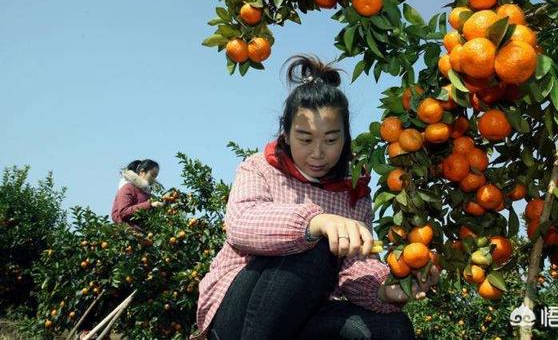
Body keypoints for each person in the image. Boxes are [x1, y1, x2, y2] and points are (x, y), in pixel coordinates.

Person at [194, 55, 439, 340]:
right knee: (315, 246)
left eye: (331, 140)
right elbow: (241, 225)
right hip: (237, 311)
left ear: (346, 139)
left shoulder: (353, 194)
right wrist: (316, 222)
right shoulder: (258, 167)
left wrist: (384, 289)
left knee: (392, 329)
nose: (318, 153)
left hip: (306, 313)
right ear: (285, 135)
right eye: (306, 139)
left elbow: (356, 266)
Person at [111, 159, 163, 226]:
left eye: (155, 176)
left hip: (143, 233)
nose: (154, 179)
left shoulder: (146, 192)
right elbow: (123, 212)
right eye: (152, 175)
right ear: (142, 172)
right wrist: (150, 205)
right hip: (128, 232)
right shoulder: (128, 188)